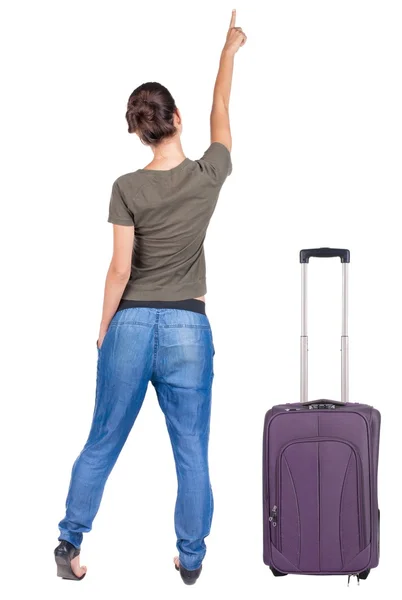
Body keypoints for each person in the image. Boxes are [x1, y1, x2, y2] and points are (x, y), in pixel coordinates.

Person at [54, 9, 247, 586]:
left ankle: (68, 543)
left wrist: (103, 328)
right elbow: (222, 115)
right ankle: (191, 559)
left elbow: (118, 269)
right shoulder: (209, 174)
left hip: (131, 326)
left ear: (139, 132)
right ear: (176, 120)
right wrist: (228, 52)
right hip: (190, 329)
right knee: (191, 449)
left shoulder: (127, 187)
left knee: (102, 439)